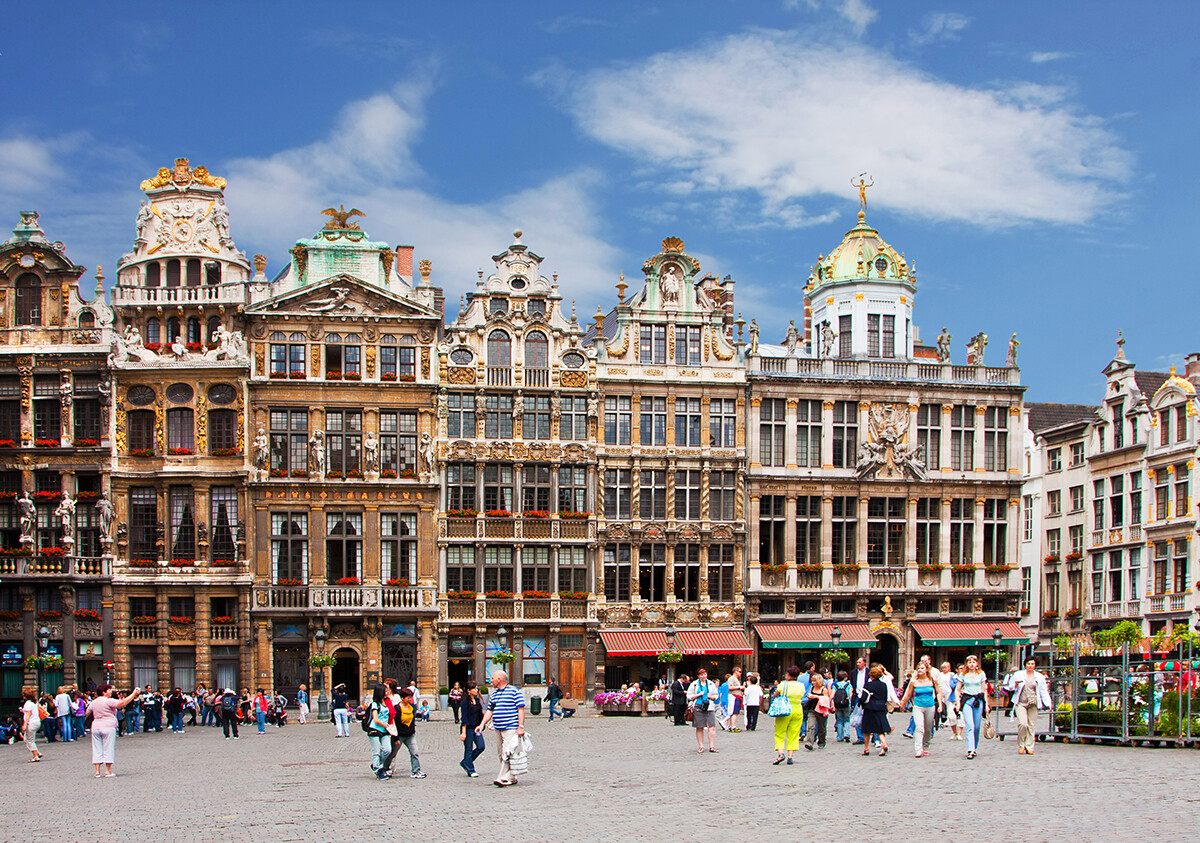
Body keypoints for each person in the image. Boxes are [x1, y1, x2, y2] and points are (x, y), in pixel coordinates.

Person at [475, 669, 526, 787]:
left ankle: (502, 777)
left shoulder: (514, 691)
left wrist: (520, 727)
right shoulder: (494, 694)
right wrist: (482, 724)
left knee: (507, 752)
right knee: (501, 753)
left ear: (499, 679)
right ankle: (511, 777)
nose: (490, 680)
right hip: (498, 727)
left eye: (492, 678)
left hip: (510, 727)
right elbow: (489, 711)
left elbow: (521, 710)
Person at [85, 684, 139, 777]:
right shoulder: (108, 701)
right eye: (109, 690)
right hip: (108, 726)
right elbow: (122, 703)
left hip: (96, 726)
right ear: (104, 692)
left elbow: (87, 712)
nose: (111, 692)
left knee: (96, 748)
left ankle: (97, 771)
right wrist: (134, 694)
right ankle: (107, 770)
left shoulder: (94, 702)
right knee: (108, 748)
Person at [1004, 658, 1052, 755]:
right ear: (1025, 665)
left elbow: (1043, 691)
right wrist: (1015, 685)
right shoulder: (1018, 674)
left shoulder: (1039, 677)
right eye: (1028, 663)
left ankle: (1029, 746)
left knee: (1031, 726)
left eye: (1032, 664)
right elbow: (1009, 687)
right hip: (1021, 702)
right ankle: (1021, 744)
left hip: (1033, 703)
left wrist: (1048, 703)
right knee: (1023, 724)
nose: (1030, 665)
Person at [380, 687, 426, 779]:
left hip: (410, 735)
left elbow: (413, 720)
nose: (410, 699)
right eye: (408, 698)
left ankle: (416, 771)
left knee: (414, 752)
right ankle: (384, 769)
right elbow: (394, 723)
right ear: (402, 698)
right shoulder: (397, 708)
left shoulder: (412, 707)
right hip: (399, 735)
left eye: (411, 697)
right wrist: (395, 737)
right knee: (392, 753)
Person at [899, 662, 942, 757]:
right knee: (919, 728)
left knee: (928, 728)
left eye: (922, 668)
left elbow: (938, 692)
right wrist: (902, 704)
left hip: (930, 706)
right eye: (918, 668)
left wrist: (940, 705)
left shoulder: (932, 680)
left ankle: (926, 746)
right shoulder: (914, 681)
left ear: (926, 670)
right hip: (918, 706)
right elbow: (908, 694)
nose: (920, 670)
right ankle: (918, 749)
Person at [771, 665, 806, 765]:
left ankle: (781, 753)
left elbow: (775, 694)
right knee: (794, 734)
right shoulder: (801, 685)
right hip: (797, 709)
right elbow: (802, 695)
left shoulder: (783, 684)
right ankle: (790, 757)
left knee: (779, 733)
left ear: (788, 675)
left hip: (784, 709)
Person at [956, 655, 989, 760]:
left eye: (973, 662)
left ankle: (974, 746)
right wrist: (958, 702)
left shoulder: (981, 674)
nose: (971, 664)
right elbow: (957, 690)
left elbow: (984, 690)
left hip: (978, 700)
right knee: (969, 725)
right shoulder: (963, 675)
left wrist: (987, 705)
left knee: (977, 726)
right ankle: (970, 749)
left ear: (977, 664)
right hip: (967, 700)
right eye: (969, 662)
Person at [859, 665, 892, 756]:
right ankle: (884, 745)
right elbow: (885, 697)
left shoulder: (869, 685)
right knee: (880, 729)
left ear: (871, 676)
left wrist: (860, 703)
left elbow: (864, 697)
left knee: (866, 729)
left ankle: (866, 748)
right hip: (881, 708)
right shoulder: (883, 685)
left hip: (870, 708)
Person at [687, 668, 720, 753]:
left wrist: (711, 697)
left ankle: (711, 746)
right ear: (698, 676)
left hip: (709, 707)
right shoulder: (694, 684)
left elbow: (716, 695)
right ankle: (701, 746)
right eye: (701, 675)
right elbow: (689, 696)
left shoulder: (711, 684)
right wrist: (698, 695)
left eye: (705, 674)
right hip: (698, 706)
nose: (703, 676)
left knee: (712, 726)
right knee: (699, 727)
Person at [458, 680, 486, 777]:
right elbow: (464, 718)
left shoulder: (477, 700)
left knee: (481, 746)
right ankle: (470, 769)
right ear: (469, 691)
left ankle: (465, 762)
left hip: (476, 727)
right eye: (474, 688)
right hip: (468, 728)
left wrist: (483, 724)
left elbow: (480, 714)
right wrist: (463, 732)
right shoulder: (465, 702)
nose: (476, 690)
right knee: (468, 749)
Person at [366, 684, 392, 777]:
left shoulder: (386, 703)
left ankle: (376, 764)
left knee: (388, 750)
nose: (387, 693)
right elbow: (375, 719)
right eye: (385, 691)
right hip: (375, 729)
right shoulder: (375, 704)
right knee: (376, 751)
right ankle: (378, 771)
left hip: (385, 730)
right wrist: (385, 725)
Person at [804, 673, 832, 750]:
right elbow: (810, 695)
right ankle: (809, 742)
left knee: (821, 727)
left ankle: (821, 742)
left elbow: (826, 699)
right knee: (811, 726)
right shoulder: (812, 688)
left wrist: (816, 696)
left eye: (814, 681)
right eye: (812, 681)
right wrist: (809, 697)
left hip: (821, 710)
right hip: (812, 709)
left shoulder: (824, 689)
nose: (813, 682)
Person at [936, 661, 961, 739]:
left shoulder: (952, 675)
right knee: (940, 706)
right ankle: (941, 720)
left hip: (949, 693)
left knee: (948, 708)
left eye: (946, 667)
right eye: (943, 668)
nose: (944, 669)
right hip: (941, 692)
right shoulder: (940, 675)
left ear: (949, 668)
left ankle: (947, 721)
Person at [849, 656, 869, 744]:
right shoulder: (853, 673)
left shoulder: (868, 672)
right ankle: (860, 737)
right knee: (857, 716)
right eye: (857, 662)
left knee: (867, 716)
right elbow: (853, 684)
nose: (858, 664)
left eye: (860, 662)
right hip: (857, 696)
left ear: (864, 663)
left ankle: (868, 734)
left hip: (866, 695)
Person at [20, 687, 41, 762]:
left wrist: (24, 724)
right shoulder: (34, 702)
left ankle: (35, 756)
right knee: (28, 739)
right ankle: (37, 752)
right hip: (37, 721)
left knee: (29, 740)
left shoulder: (28, 703)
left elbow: (28, 714)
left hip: (31, 723)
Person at [832, 670, 853, 742]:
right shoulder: (848, 685)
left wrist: (831, 704)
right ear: (845, 678)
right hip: (846, 704)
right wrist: (850, 702)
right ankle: (847, 734)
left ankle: (839, 736)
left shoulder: (835, 685)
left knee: (839, 720)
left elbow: (832, 695)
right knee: (847, 719)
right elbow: (850, 695)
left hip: (837, 705)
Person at [726, 667, 744, 731]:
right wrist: (739, 687)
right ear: (735, 671)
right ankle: (733, 726)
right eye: (740, 671)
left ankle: (731, 725)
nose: (740, 673)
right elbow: (730, 687)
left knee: (734, 712)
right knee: (734, 712)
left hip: (737, 696)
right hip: (734, 696)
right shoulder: (732, 678)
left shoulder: (736, 679)